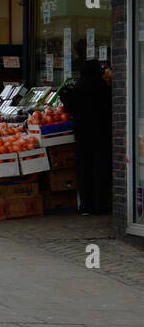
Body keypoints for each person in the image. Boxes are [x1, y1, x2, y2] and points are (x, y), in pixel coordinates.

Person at [61, 59, 111, 215]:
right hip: (102, 133)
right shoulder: (104, 88)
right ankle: (100, 205)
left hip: (82, 133)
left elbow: (69, 108)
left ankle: (86, 206)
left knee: (84, 168)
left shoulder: (78, 88)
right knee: (101, 168)